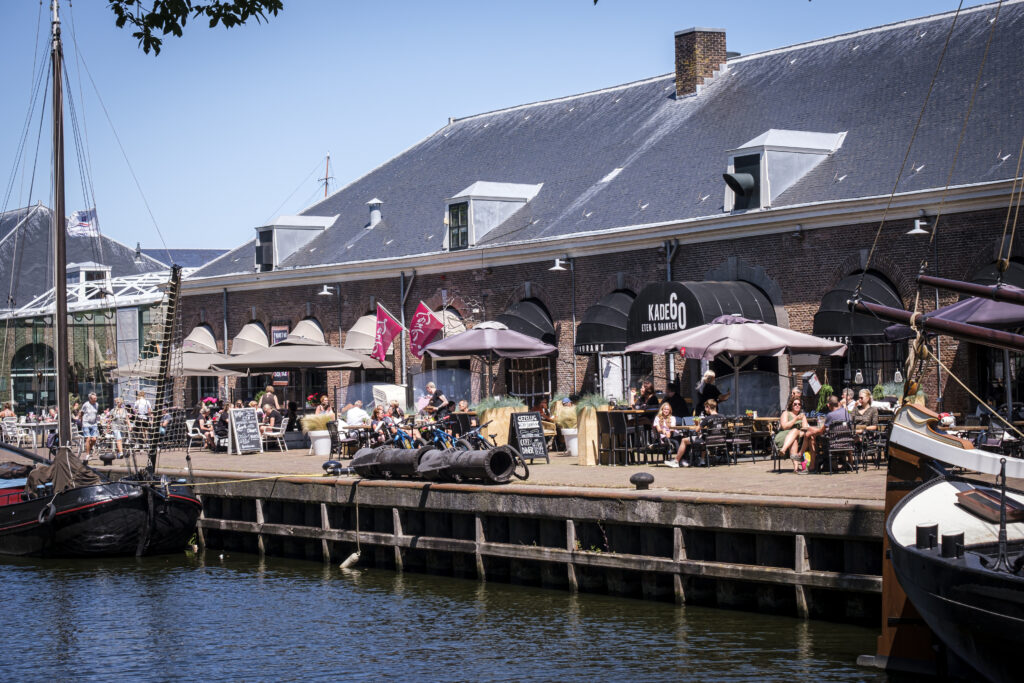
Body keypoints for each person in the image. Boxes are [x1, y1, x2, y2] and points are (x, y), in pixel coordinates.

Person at [670, 398, 720, 468]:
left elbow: (696, 430)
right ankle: (702, 460)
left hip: (708, 440)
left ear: (708, 407)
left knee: (684, 440)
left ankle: (676, 461)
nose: (705, 409)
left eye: (705, 407)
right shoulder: (723, 417)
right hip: (720, 440)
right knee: (704, 437)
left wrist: (697, 424)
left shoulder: (707, 419)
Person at [775, 395, 810, 473]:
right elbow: (784, 427)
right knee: (794, 433)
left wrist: (800, 432)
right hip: (784, 436)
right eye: (795, 404)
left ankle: (796, 468)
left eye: (799, 404)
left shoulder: (802, 415)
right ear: (791, 405)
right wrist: (795, 419)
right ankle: (796, 467)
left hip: (797, 437)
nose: (797, 405)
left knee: (794, 439)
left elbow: (805, 428)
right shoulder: (786, 413)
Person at [78, 392, 100, 461]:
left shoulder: (96, 404)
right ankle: (87, 455)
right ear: (90, 399)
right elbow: (81, 412)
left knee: (94, 439)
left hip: (94, 423)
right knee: (88, 439)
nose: (95, 399)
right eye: (94, 398)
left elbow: (96, 413)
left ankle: (89, 449)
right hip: (86, 423)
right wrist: (81, 421)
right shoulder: (86, 404)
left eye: (96, 398)